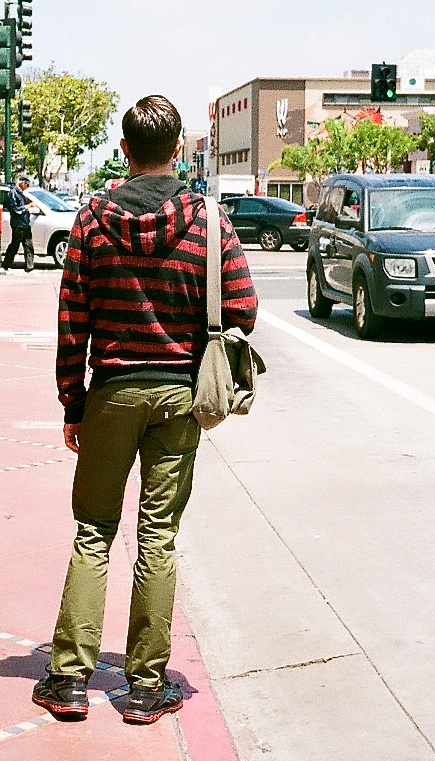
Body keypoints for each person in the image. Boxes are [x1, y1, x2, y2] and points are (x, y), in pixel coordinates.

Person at [32, 95, 258, 724]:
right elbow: (243, 307)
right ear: (179, 149)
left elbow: (71, 320)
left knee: (93, 531)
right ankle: (145, 687)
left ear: (125, 151)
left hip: (109, 394)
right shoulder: (210, 223)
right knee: (158, 536)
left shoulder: (89, 221)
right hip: (179, 397)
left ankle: (69, 680)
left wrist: (72, 402)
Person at [1, 174, 38, 273]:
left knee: (28, 245)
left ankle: (29, 266)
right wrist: (27, 206)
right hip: (18, 224)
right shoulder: (13, 193)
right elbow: (15, 209)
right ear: (22, 182)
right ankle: (6, 264)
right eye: (26, 184)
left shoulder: (21, 194)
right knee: (15, 245)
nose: (27, 186)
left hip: (25, 223)